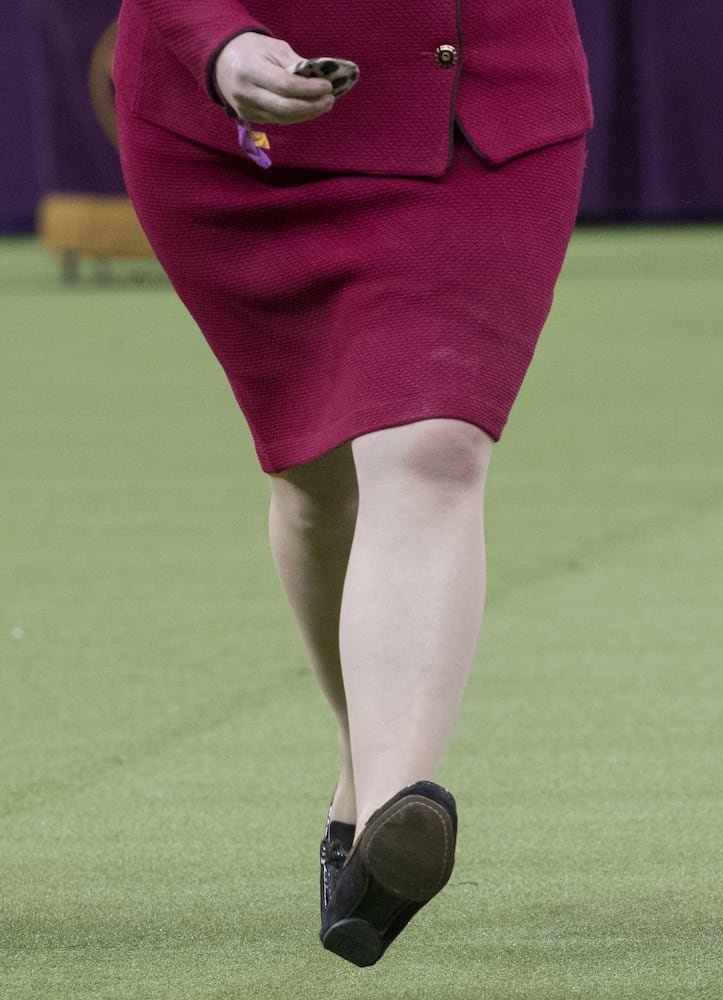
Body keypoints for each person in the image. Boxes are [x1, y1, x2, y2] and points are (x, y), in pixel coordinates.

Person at [112, 0, 592, 967]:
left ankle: (388, 812)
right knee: (315, 476)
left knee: (431, 450)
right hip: (237, 134)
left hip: (482, 116)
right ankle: (367, 771)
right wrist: (216, 40)